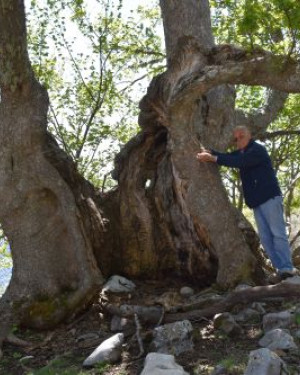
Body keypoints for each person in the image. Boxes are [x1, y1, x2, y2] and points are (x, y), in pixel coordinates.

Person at [196, 125, 296, 280]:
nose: (238, 141)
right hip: (257, 203)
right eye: (236, 139)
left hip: (270, 198)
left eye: (241, 136)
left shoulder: (257, 150)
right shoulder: (241, 152)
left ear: (250, 136)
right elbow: (228, 156)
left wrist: (214, 158)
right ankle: (280, 270)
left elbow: (239, 161)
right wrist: (211, 152)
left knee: (277, 233)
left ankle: (287, 268)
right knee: (265, 237)